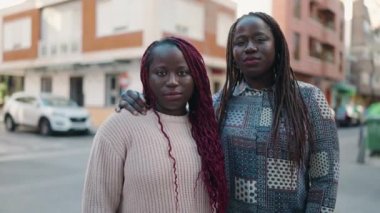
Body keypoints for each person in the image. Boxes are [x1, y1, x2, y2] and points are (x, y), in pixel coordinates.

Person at [119, 12, 339, 213]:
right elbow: (174, 120)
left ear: (277, 46)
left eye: (260, 39)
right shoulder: (218, 104)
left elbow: (325, 178)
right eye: (240, 42)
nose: (250, 47)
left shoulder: (309, 99)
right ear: (232, 53)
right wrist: (143, 99)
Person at [82, 36, 228, 213]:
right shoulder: (118, 127)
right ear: (147, 77)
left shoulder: (208, 129)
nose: (173, 81)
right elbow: (97, 206)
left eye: (182, 73)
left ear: (195, 78)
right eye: (161, 73)